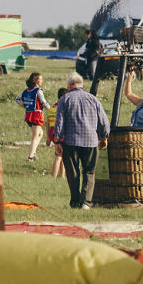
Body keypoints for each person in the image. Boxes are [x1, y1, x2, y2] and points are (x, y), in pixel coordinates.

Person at [53, 72, 110, 209]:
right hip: (90, 141)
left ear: (69, 85)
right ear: (81, 85)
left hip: (70, 142)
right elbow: (103, 121)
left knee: (73, 173)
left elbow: (59, 122)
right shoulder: (93, 99)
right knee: (89, 172)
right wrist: (104, 137)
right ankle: (86, 202)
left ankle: (75, 201)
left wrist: (57, 141)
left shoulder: (64, 99)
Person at [17, 72, 49, 161]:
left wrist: (25, 106)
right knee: (35, 136)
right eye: (40, 79)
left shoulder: (26, 91)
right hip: (36, 115)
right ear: (36, 81)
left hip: (29, 114)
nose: (42, 80)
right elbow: (43, 102)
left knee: (40, 133)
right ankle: (30, 157)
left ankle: (34, 153)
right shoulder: (38, 91)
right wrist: (51, 110)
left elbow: (17, 99)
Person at [46, 87, 68, 180]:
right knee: (58, 156)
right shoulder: (64, 108)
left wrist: (48, 137)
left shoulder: (51, 108)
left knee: (62, 156)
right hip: (62, 135)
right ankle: (54, 176)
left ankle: (62, 176)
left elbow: (47, 124)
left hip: (53, 135)